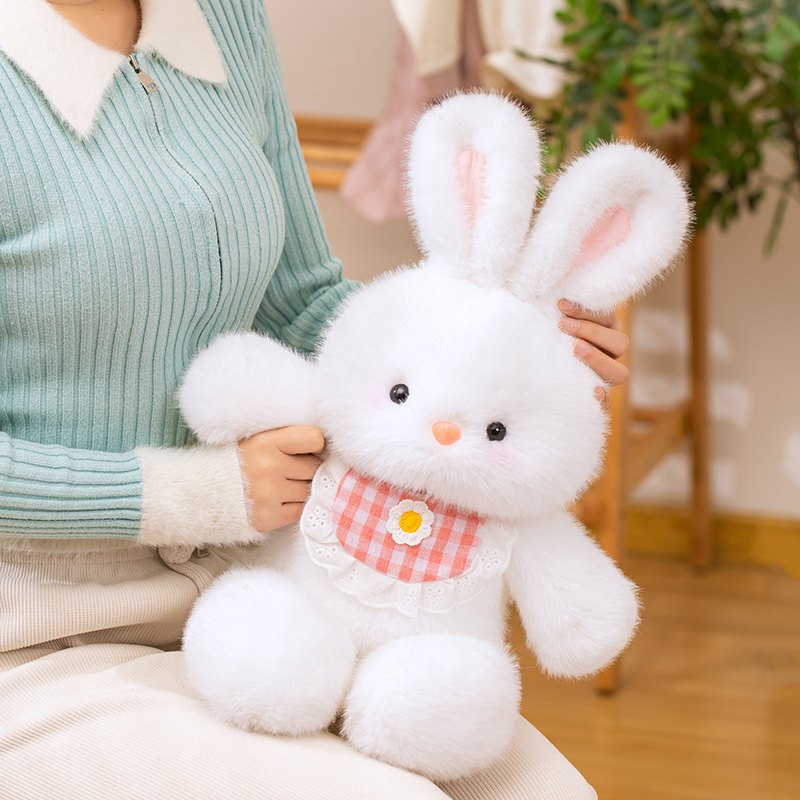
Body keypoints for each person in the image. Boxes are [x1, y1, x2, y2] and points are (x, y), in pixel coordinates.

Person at [0, 1, 629, 798]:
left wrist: (498, 348)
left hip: (262, 584)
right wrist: (197, 494)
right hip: (38, 631)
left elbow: (302, 303)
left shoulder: (221, 15)